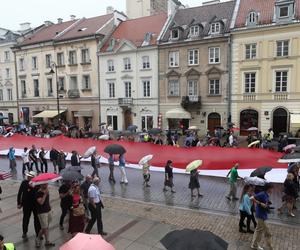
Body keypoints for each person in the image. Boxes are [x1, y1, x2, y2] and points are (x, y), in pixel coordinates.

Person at [17, 171, 41, 239]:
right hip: (26, 204)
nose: (28, 177)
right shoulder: (24, 183)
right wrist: (19, 203)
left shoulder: (37, 184)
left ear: (33, 177)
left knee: (37, 219)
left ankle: (38, 233)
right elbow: (20, 193)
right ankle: (24, 232)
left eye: (29, 176)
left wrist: (33, 187)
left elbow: (39, 193)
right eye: (28, 176)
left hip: (35, 205)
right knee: (26, 218)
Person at [251, 183, 274, 250]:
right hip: (261, 215)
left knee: (258, 230)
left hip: (263, 214)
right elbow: (252, 198)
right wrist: (260, 203)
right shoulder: (262, 194)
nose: (272, 190)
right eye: (272, 188)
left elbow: (264, 203)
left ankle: (254, 245)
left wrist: (266, 204)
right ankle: (270, 247)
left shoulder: (266, 194)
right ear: (269, 188)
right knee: (268, 233)